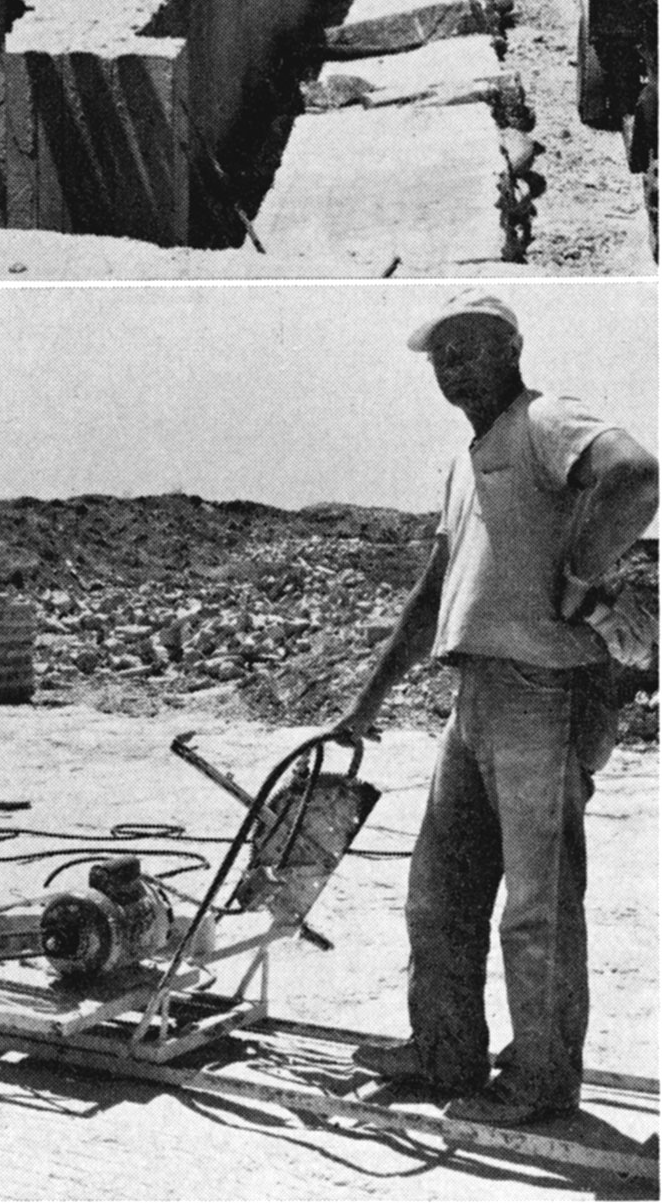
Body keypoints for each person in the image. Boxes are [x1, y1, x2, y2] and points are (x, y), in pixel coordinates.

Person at [328, 291, 658, 1126]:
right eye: (441, 355)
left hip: (544, 693)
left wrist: (581, 578)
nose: (453, 366)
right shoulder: (466, 461)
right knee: (438, 893)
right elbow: (435, 589)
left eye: (469, 347)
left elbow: (634, 474)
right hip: (476, 693)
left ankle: (541, 1083)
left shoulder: (546, 421)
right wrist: (365, 705)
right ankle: (444, 1052)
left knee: (538, 908)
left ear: (511, 347)